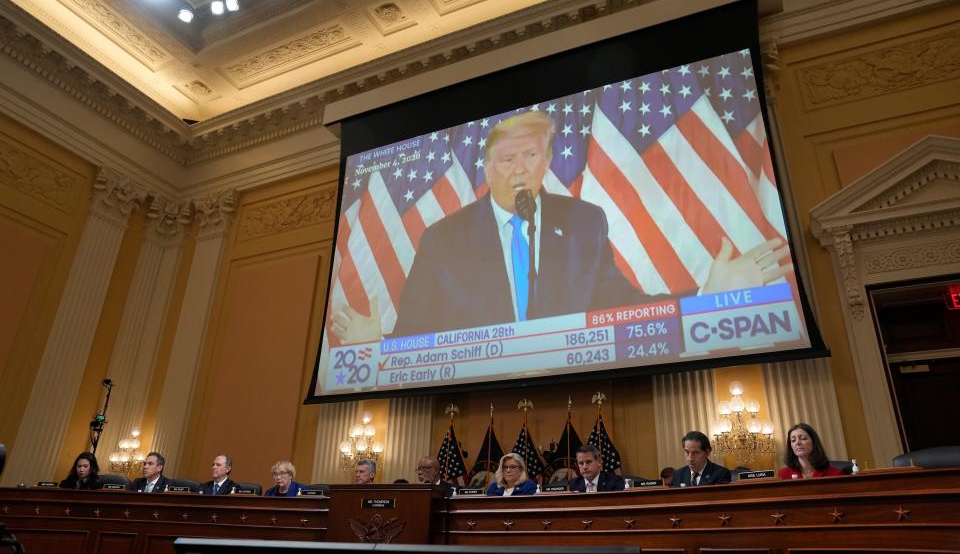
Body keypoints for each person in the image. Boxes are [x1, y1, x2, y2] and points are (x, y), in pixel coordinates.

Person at [331, 110, 793, 342]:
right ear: (487, 168)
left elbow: (621, 306)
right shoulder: (443, 238)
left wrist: (701, 301)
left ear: (547, 161)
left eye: (530, 156)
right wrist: (378, 346)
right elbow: (417, 328)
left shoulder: (583, 222)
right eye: (506, 159)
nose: (518, 170)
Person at [778, 423, 844, 479]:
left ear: (814, 442)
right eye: (793, 440)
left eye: (803, 438)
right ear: (791, 447)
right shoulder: (782, 475)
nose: (797, 443)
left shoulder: (836, 474)